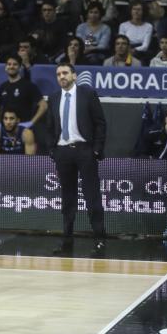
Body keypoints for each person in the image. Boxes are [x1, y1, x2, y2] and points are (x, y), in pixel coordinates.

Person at [45, 63, 107, 256]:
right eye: (58, 74)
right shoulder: (54, 98)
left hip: (84, 150)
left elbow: (100, 123)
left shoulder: (87, 94)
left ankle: (99, 240)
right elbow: (49, 126)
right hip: (63, 152)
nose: (61, 76)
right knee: (67, 198)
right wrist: (52, 150)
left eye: (65, 73)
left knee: (92, 196)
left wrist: (96, 150)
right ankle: (67, 240)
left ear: (74, 76)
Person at [0, 55, 47, 131]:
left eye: (15, 64)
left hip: (23, 130)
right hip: (6, 129)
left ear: (20, 67)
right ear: (5, 67)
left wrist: (31, 123)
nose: (11, 66)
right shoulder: (2, 86)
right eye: (9, 64)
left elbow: (44, 105)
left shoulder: (29, 86)